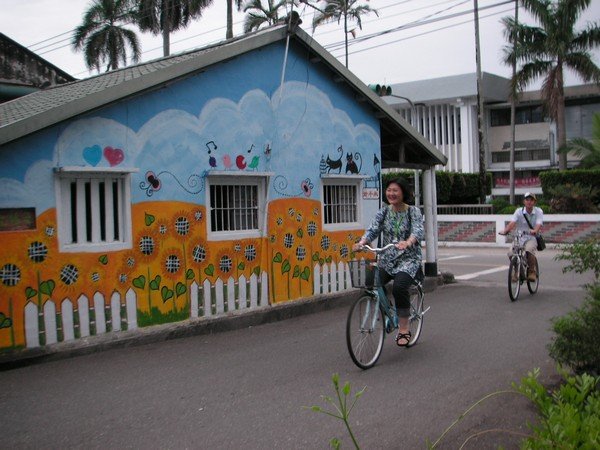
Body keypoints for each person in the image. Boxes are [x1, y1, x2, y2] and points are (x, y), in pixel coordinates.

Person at [352, 178, 424, 347]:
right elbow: (373, 229)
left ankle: (404, 329)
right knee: (370, 282)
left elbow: (418, 230)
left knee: (399, 287)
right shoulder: (383, 212)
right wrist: (362, 242)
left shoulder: (412, 212)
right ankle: (388, 308)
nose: (391, 193)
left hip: (408, 259)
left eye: (395, 190)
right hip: (387, 258)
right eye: (389, 190)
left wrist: (408, 242)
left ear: (403, 193)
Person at [498, 192, 543, 281]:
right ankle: (518, 272)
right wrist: (506, 231)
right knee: (511, 253)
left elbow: (539, 224)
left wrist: (535, 231)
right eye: (527, 200)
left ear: (534, 202)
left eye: (531, 200)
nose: (529, 202)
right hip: (519, 237)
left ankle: (531, 272)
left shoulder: (538, 211)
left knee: (529, 250)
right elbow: (512, 223)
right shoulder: (519, 211)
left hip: (531, 237)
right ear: (524, 201)